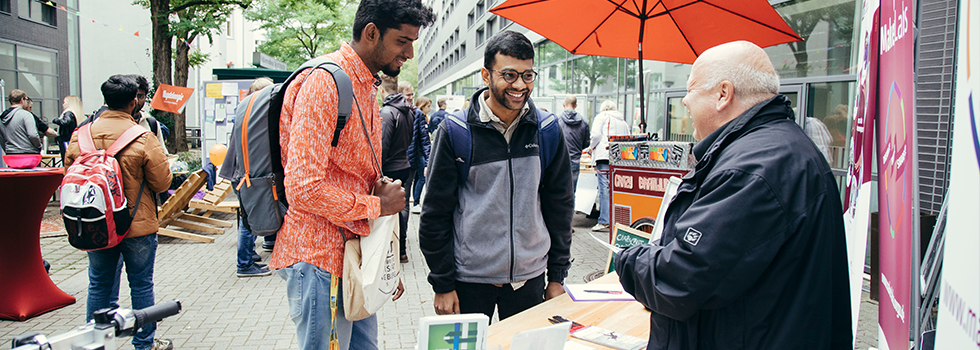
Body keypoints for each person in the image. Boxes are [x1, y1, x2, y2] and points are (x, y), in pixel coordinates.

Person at [614, 41, 851, 350]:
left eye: (691, 92)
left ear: (723, 94)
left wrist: (627, 259)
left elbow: (683, 277)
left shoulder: (753, 167)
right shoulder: (780, 148)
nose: (685, 102)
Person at [268, 0, 433, 349]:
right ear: (371, 33)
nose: (410, 53)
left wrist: (381, 261)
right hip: (319, 258)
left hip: (353, 257)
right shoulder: (325, 82)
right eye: (403, 41)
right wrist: (376, 204)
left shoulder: (363, 84)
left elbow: (353, 175)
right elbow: (303, 188)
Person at [419, 30, 574, 321]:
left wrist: (557, 276)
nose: (520, 85)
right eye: (510, 75)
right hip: (469, 280)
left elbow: (560, 206)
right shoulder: (456, 131)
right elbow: (435, 212)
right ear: (486, 75)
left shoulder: (548, 130)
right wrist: (442, 282)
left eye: (528, 76)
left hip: (530, 279)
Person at [64, 75, 174, 350]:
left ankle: (98, 343)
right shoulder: (143, 136)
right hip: (136, 226)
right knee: (140, 286)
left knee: (99, 284)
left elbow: (68, 173)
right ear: (132, 102)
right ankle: (144, 344)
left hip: (97, 223)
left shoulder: (81, 134)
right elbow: (162, 182)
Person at [220, 77, 274, 278]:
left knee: (248, 216)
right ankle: (244, 263)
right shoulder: (253, 116)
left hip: (240, 173)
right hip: (244, 175)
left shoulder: (245, 112)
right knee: (248, 220)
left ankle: (249, 255)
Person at [380, 75, 415, 264]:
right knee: (401, 208)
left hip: (390, 168)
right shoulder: (408, 112)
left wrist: (378, 169)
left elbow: (383, 145)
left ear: (382, 90)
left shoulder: (387, 112)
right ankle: (400, 249)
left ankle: (391, 250)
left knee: (388, 212)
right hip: (404, 165)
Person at [586, 100, 629, 232]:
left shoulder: (602, 117)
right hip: (619, 157)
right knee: (616, 188)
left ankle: (604, 220)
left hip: (604, 156)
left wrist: (590, 148)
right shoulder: (623, 121)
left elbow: (596, 135)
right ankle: (618, 219)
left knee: (604, 189)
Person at [557, 95, 589, 192]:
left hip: (560, 161)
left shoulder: (557, 121)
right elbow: (586, 144)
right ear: (576, 105)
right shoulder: (584, 122)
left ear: (563, 104)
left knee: (558, 191)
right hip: (575, 161)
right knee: (572, 191)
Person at [407, 95, 431, 214]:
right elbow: (424, 139)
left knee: (418, 178)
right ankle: (416, 202)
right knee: (422, 177)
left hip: (417, 153)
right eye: (428, 106)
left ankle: (415, 201)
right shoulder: (419, 115)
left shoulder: (419, 116)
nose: (429, 108)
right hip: (419, 154)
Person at [1, 89, 42, 156]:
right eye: (26, 99)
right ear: (22, 100)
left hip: (10, 154)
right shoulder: (26, 115)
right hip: (29, 153)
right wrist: (39, 146)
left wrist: (7, 149)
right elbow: (33, 135)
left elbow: (1, 137)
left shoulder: (2, 116)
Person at [53, 96, 85, 164]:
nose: (63, 104)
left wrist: (56, 120)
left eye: (64, 102)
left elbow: (65, 122)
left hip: (65, 140)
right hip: (71, 139)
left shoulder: (68, 113)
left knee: (66, 159)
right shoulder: (75, 114)